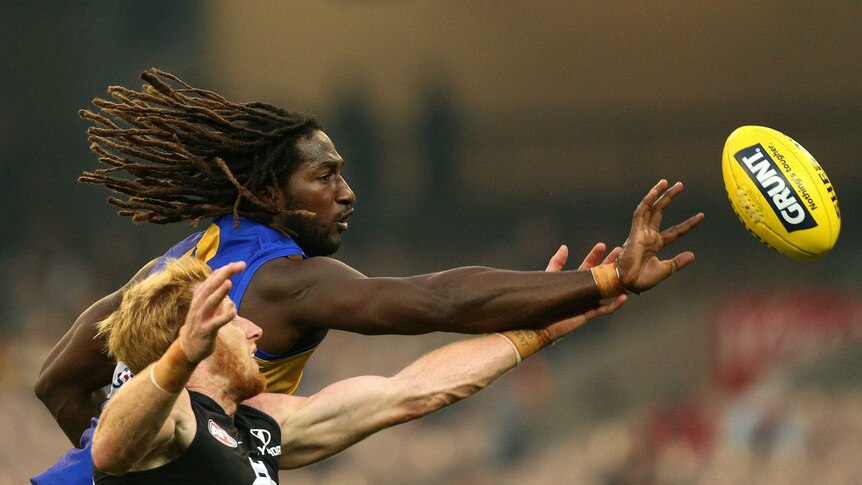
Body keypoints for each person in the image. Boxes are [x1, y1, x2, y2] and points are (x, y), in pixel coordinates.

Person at [33, 68, 702, 480]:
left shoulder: (178, 268)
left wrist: (542, 328)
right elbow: (434, 298)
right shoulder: (279, 280)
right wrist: (608, 278)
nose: (347, 193)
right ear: (269, 194)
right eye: (324, 175)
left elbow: (409, 391)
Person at [93, 254, 626, 483]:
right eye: (236, 321)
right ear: (197, 336)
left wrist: (536, 330)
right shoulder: (173, 420)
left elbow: (414, 390)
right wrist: (182, 356)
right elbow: (110, 446)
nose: (256, 331)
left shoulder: (258, 425)